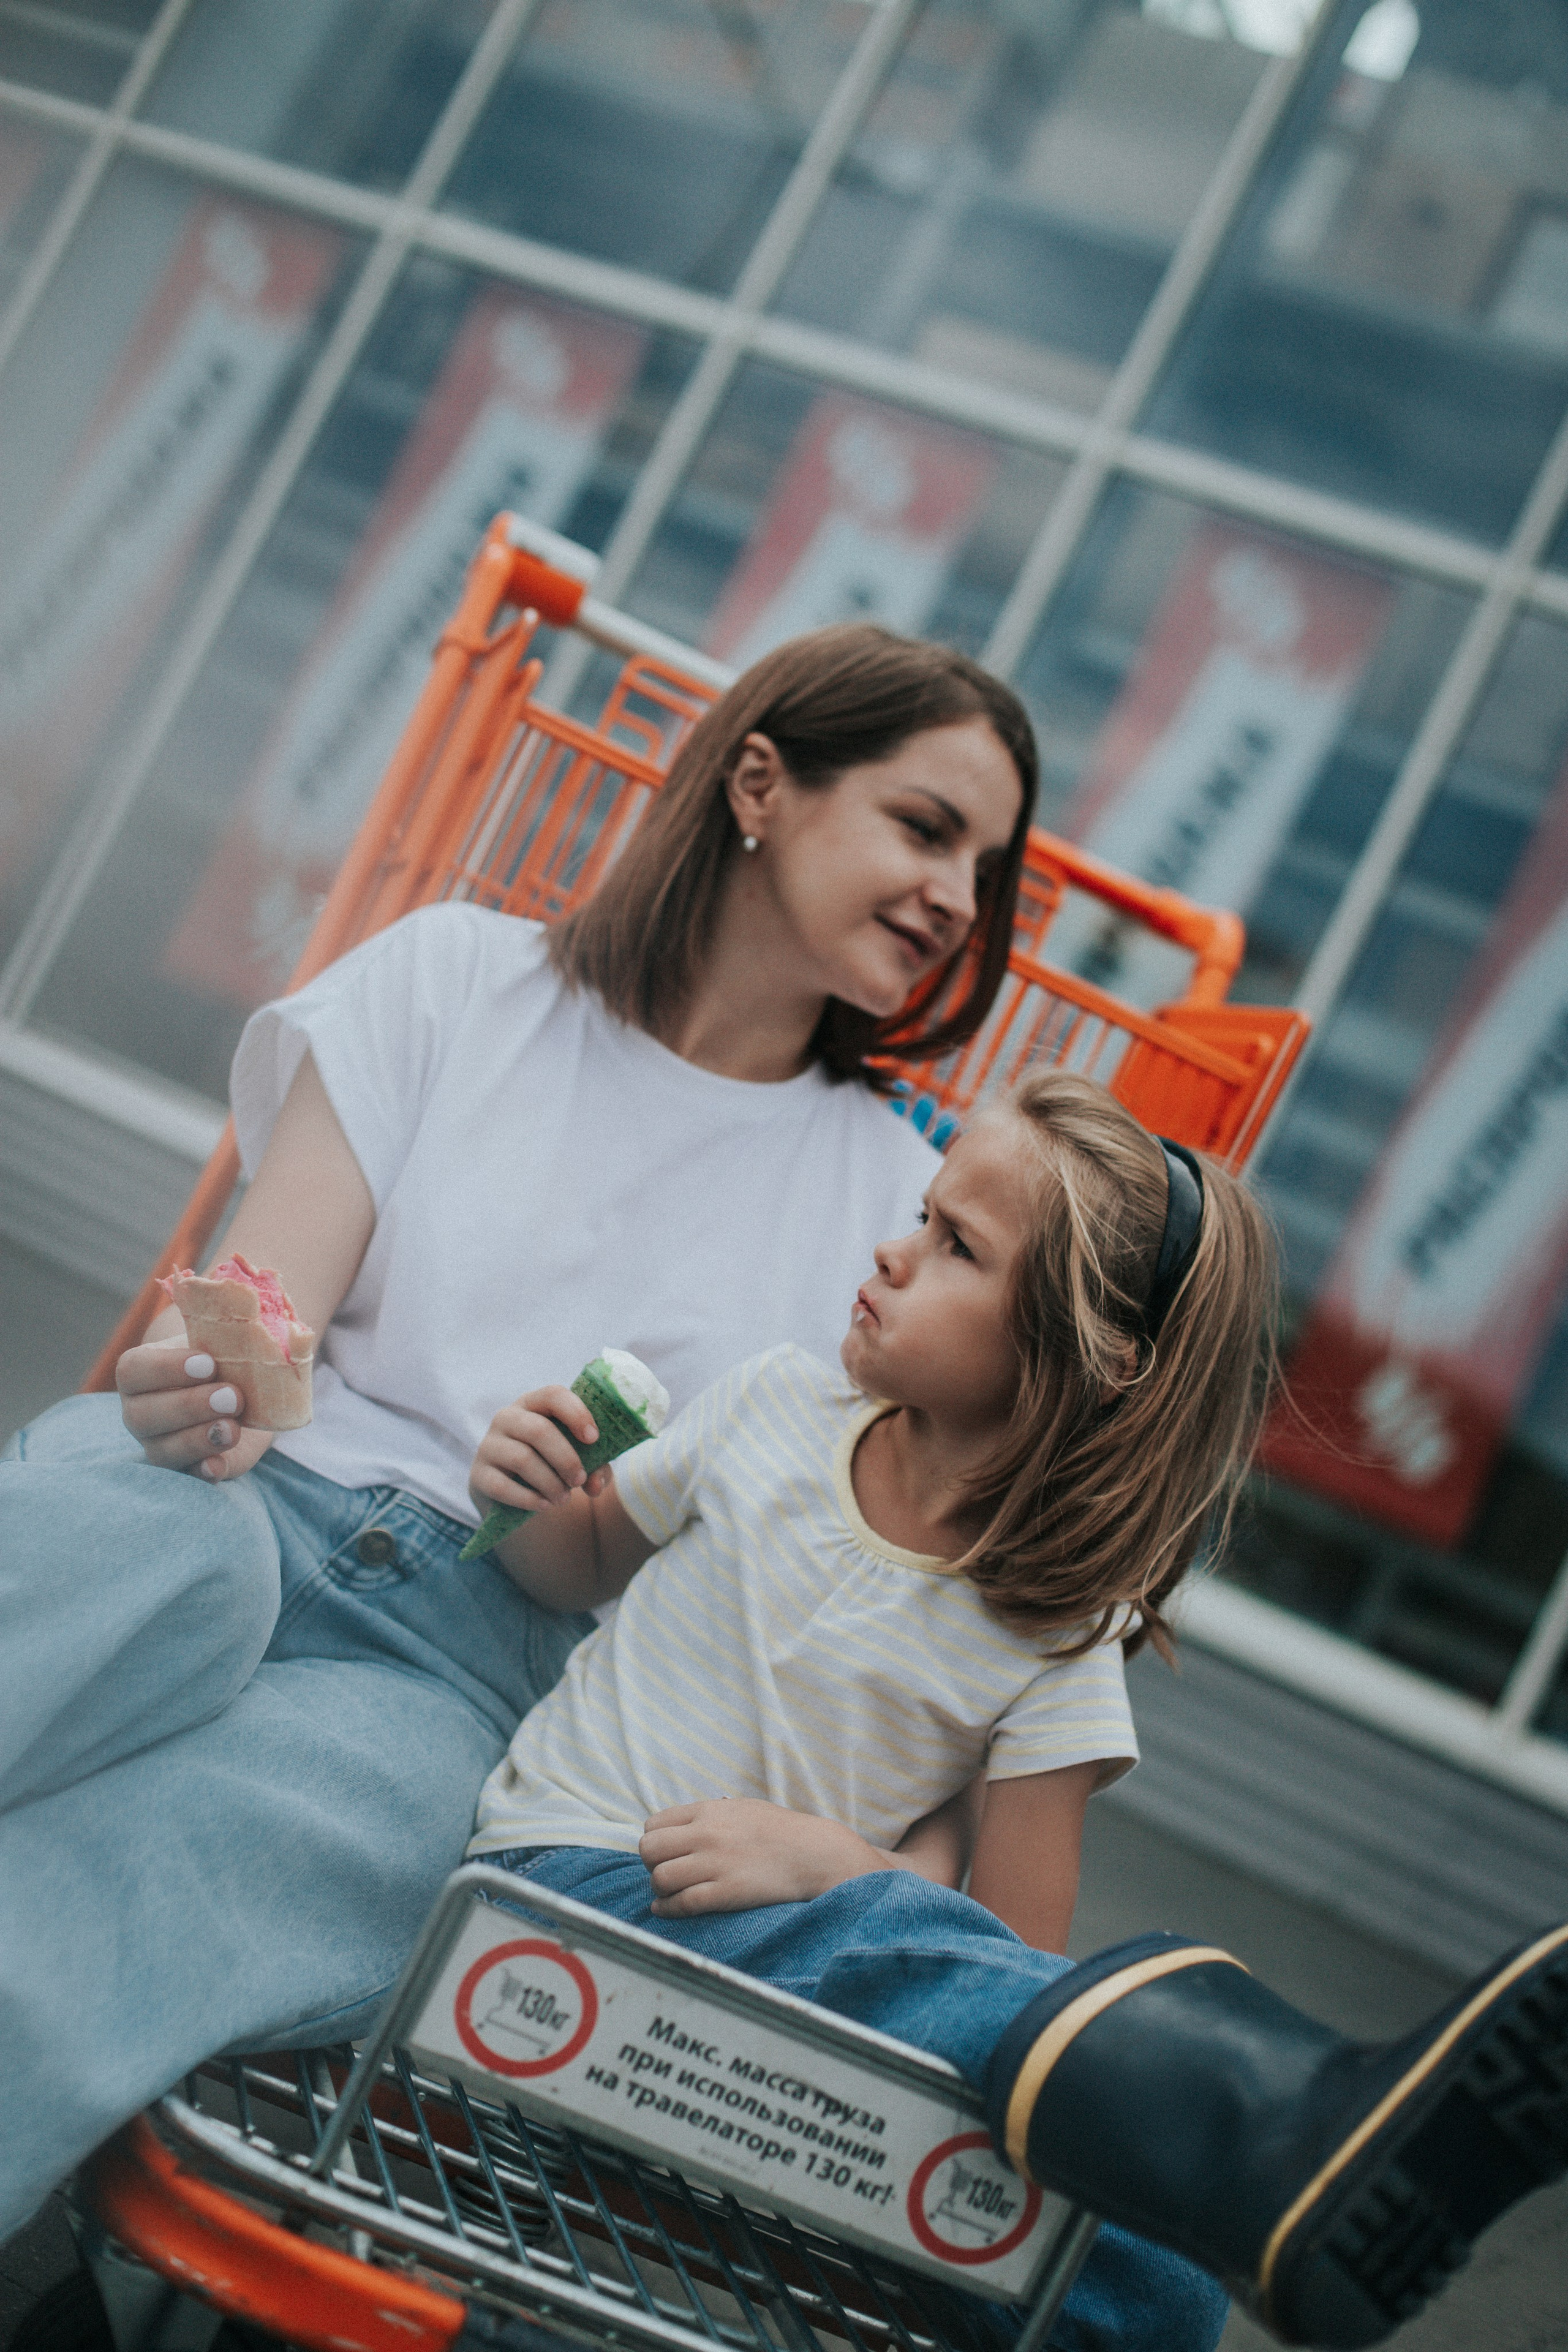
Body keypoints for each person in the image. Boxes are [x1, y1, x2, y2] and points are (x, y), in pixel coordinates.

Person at [0, 622, 1036, 2239]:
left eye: (990, 869)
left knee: (102, 1919)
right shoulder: (456, 980)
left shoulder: (902, 1213)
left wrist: (840, 1848)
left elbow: (908, 1615)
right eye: (926, 828)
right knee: (140, 1541)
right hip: (244, 1494)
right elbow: (269, 1305)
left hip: (473, 1679)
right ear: (760, 784)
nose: (961, 902)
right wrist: (198, 1372)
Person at [464, 1071, 1568, 2352]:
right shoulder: (775, 1405)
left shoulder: (1050, 1623)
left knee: (1140, 2259)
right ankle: (1276, 2123)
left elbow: (1010, 1967)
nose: (892, 1248)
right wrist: (529, 1488)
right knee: (919, 1955)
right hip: (572, 1896)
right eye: (922, 1215)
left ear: (1072, 1356)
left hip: (764, 2007)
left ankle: (1279, 2185)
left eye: (953, 1247)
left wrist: (838, 1867)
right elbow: (581, 1561)